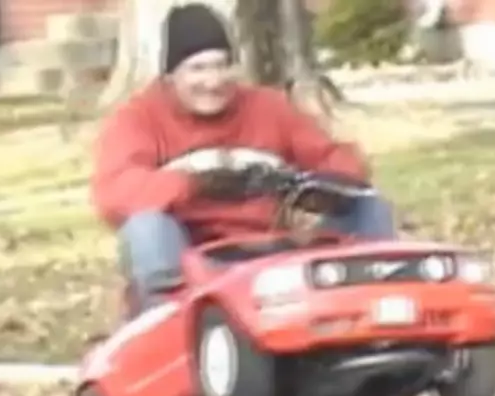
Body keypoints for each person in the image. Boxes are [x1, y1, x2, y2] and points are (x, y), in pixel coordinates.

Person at [90, 2, 397, 312]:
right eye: (198, 69)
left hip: (273, 243)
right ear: (170, 76)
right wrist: (193, 185)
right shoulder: (139, 119)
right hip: (193, 256)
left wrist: (317, 188)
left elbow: (339, 158)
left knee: (365, 203)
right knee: (146, 225)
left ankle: (383, 305)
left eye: (222, 66)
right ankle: (166, 318)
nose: (213, 81)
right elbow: (113, 193)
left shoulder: (268, 106)